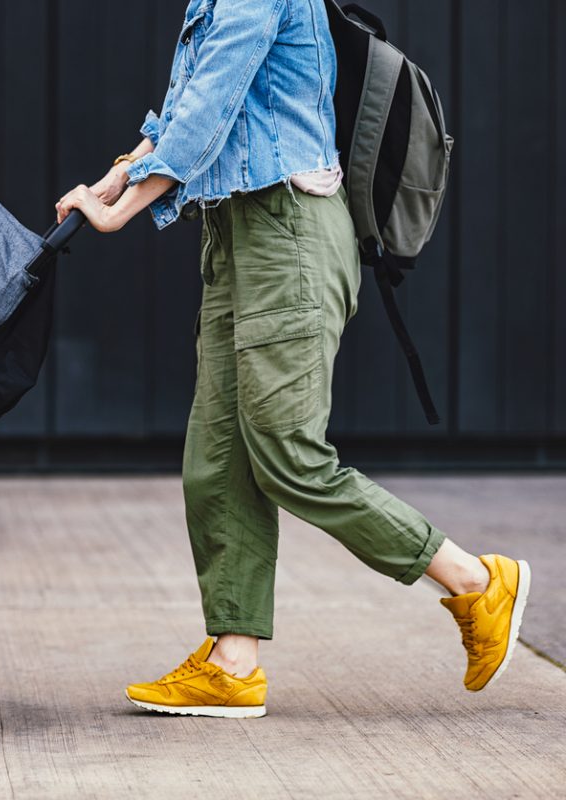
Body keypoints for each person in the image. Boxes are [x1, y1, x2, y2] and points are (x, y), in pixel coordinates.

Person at [55, 0, 529, 718]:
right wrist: (115, 179)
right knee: (217, 455)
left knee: (287, 452)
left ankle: (474, 581)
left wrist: (119, 210)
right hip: (234, 232)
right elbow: (183, 112)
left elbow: (209, 111)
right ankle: (232, 661)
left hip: (288, 235)